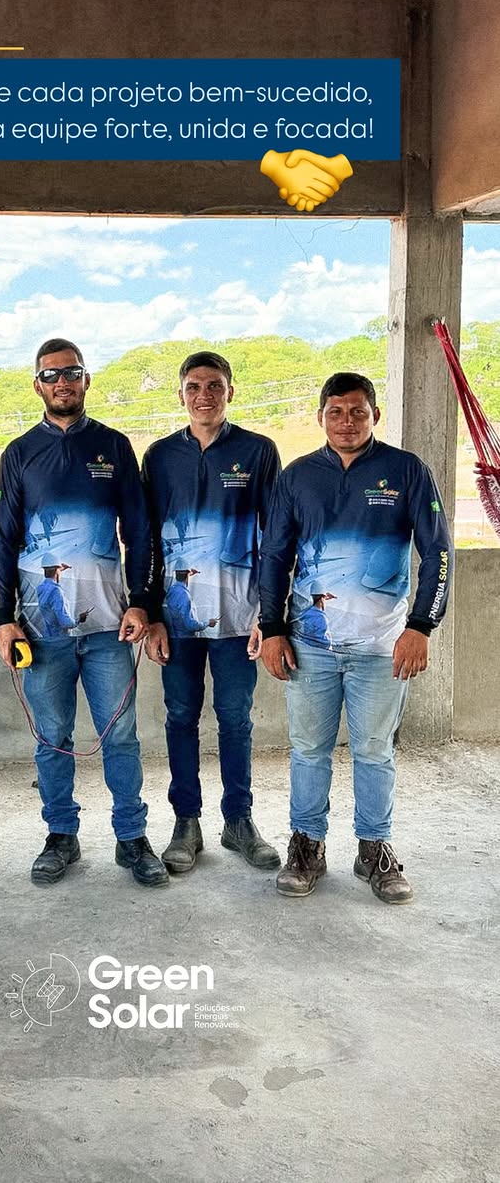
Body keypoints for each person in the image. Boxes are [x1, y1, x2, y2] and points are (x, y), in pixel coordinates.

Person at [259, 371, 453, 904]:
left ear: (374, 416)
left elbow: (438, 552)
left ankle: (375, 849)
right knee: (308, 749)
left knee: (373, 751)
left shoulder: (406, 471)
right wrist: (272, 628)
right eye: (336, 412)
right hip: (311, 645)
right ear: (320, 416)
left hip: (382, 646)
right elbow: (275, 555)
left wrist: (420, 626)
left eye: (358, 411)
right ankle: (307, 845)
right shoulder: (297, 477)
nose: (347, 421)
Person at [0, 337, 168, 888]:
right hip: (43, 630)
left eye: (72, 372)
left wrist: (141, 601)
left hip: (110, 627)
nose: (62, 382)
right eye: (50, 375)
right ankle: (60, 836)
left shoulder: (114, 447)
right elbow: (3, 539)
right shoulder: (19, 454)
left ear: (87, 380)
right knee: (52, 737)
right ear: (37, 384)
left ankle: (132, 839)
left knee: (120, 738)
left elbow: (139, 533)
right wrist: (3, 614)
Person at [142, 350, 282, 875]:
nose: (205, 395)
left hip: (238, 620)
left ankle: (238, 820)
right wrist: (153, 612)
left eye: (215, 386)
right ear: (181, 393)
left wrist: (268, 616)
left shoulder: (259, 452)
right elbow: (146, 543)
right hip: (177, 623)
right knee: (180, 718)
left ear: (231, 392)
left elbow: (276, 539)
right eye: (195, 386)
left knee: (235, 720)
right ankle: (186, 823)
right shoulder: (157, 457)